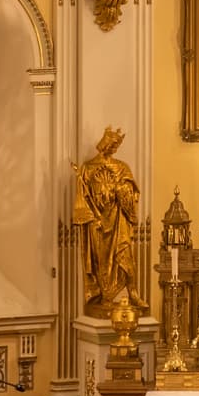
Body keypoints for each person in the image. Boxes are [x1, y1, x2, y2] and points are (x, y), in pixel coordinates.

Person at [72, 126, 144, 321]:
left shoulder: (122, 168)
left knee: (126, 255)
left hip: (118, 220)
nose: (113, 148)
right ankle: (106, 296)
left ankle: (133, 293)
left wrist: (123, 191)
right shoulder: (87, 168)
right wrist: (90, 217)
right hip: (97, 222)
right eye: (111, 144)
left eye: (116, 145)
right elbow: (82, 197)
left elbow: (132, 195)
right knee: (101, 260)